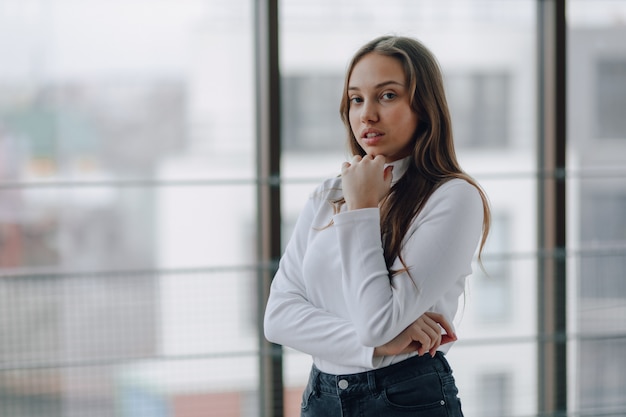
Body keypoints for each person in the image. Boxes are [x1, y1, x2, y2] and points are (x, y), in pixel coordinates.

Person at [264, 35, 490, 417]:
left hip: (406, 397)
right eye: (356, 99)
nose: (366, 114)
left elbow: (377, 322)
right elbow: (278, 318)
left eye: (387, 96)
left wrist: (362, 208)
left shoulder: (453, 197)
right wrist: (380, 345)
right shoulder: (328, 193)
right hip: (322, 396)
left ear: (424, 107)